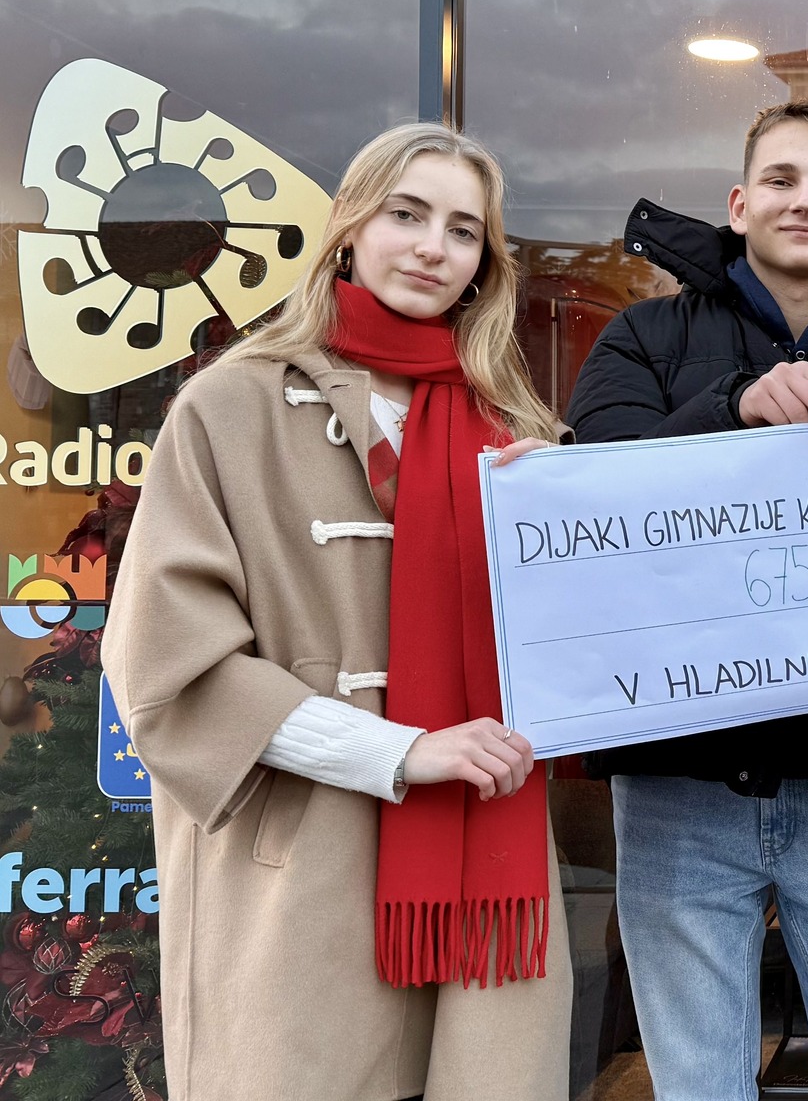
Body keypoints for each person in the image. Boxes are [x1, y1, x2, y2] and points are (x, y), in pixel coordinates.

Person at [104, 123, 571, 1101]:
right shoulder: (227, 406)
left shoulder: (515, 429)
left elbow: (568, 660)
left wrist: (560, 527)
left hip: (482, 873)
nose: (433, 248)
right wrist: (400, 752)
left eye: (463, 230)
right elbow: (165, 664)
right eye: (407, 214)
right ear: (350, 228)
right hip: (299, 870)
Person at [564, 100, 808, 1101]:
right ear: (739, 206)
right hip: (680, 792)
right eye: (782, 180)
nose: (805, 200)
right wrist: (727, 409)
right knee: (700, 1085)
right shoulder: (642, 338)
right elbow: (586, 510)